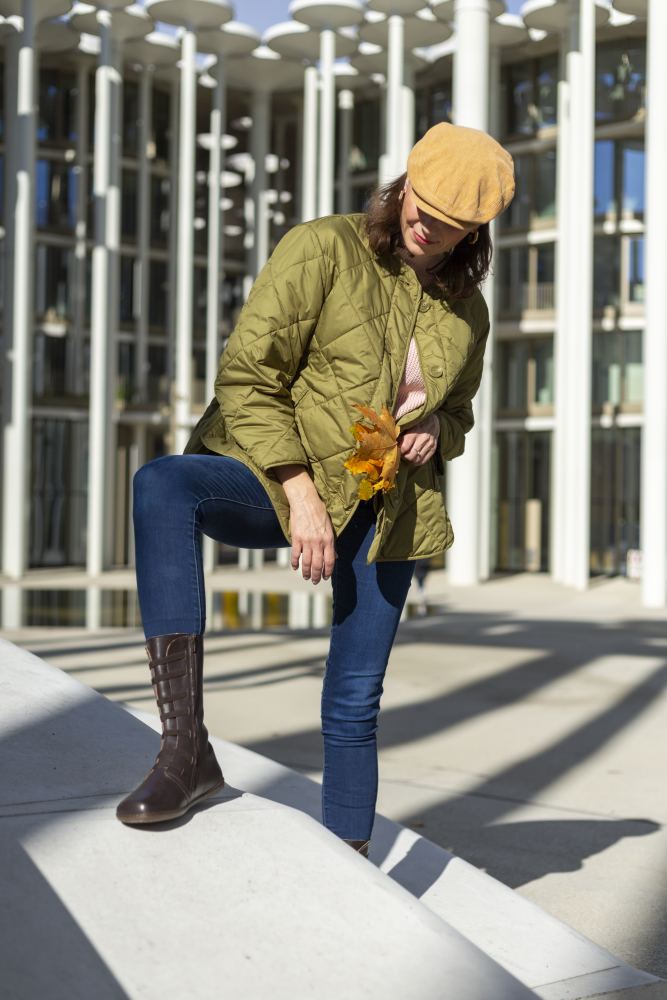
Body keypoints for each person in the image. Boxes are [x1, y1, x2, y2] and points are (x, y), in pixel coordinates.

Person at [116, 123, 515, 859]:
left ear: (474, 232)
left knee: (355, 701)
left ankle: (351, 869)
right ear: (402, 187)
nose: (424, 226)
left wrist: (433, 424)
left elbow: (459, 415)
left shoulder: (470, 313)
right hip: (277, 480)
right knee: (162, 485)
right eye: (418, 206)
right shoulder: (325, 247)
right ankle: (184, 751)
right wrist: (298, 493)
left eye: (448, 225)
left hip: (389, 511)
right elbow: (247, 376)